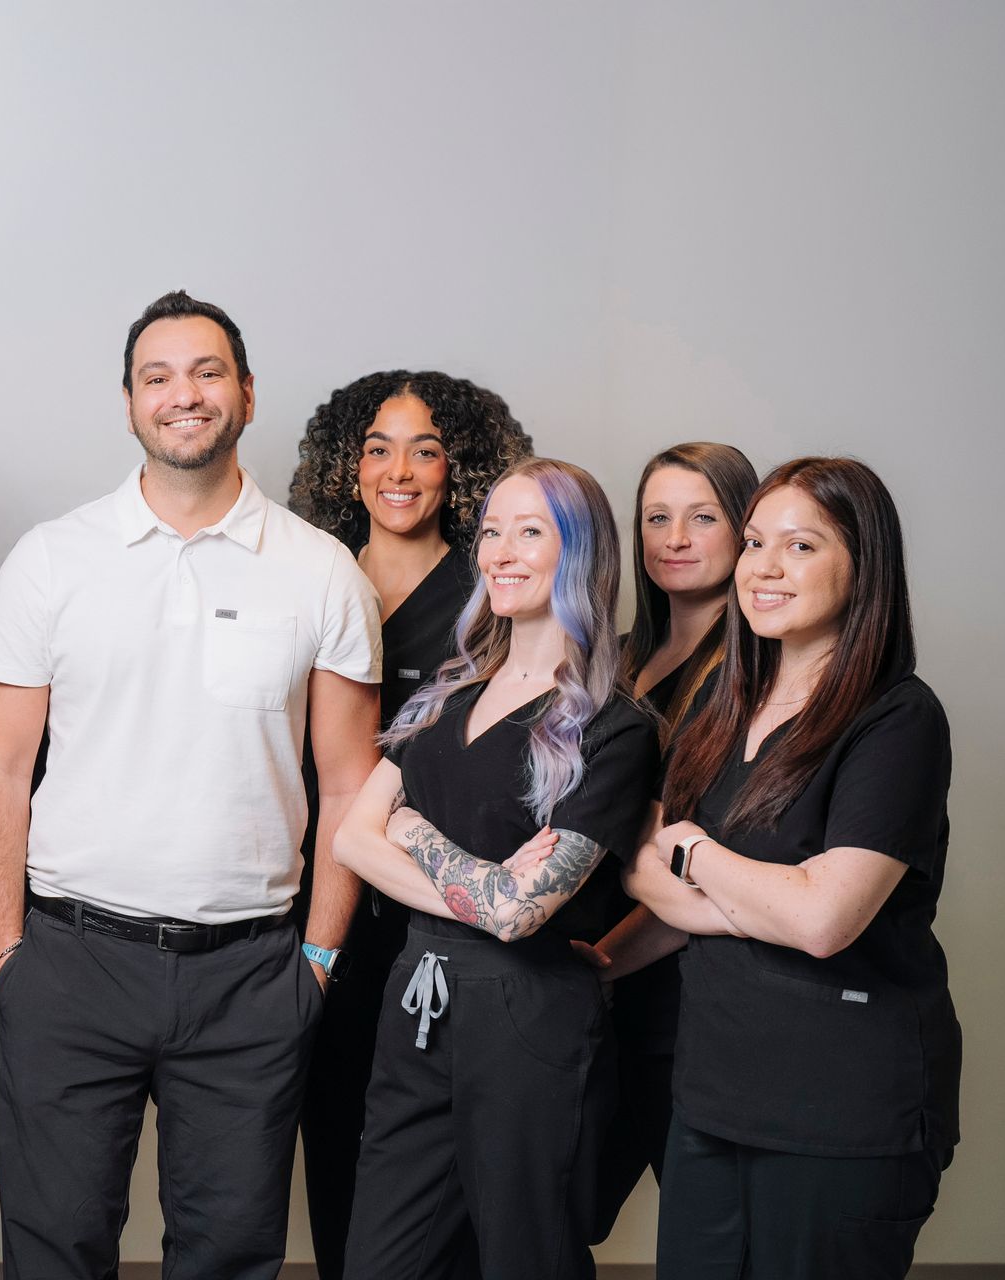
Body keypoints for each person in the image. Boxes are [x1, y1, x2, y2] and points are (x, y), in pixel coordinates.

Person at [0, 290, 383, 1279]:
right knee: (53, 1248)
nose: (183, 394)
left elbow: (349, 784)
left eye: (206, 372)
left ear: (245, 392)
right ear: (128, 403)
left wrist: (316, 962)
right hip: (70, 961)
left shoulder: (322, 572)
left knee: (231, 1253)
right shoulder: (52, 561)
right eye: (158, 376)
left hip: (249, 974)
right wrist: (8, 958)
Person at [625, 457, 960, 1279]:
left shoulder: (898, 719)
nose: (763, 568)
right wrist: (602, 963)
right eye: (754, 543)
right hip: (713, 1097)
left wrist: (696, 850)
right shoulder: (724, 704)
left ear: (863, 565)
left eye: (801, 546)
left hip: (843, 1112)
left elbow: (822, 921)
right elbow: (641, 867)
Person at [333, 458, 661, 1280]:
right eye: (489, 531)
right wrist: (479, 882)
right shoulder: (444, 696)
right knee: (382, 1260)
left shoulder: (614, 728)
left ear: (581, 553)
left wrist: (412, 831)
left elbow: (521, 916)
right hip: (416, 998)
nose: (499, 552)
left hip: (527, 1014)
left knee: (524, 1255)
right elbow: (350, 840)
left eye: (530, 532)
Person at [286, 369, 533, 1279]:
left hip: (446, 919)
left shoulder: (493, 597)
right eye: (378, 449)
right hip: (317, 914)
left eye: (425, 450)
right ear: (346, 468)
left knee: (448, 1176)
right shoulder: (307, 581)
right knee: (338, 1141)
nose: (399, 471)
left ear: (457, 470)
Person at [581, 442, 757, 1242]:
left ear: (746, 527)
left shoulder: (759, 678)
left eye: (702, 516)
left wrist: (604, 964)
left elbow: (706, 871)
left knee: (707, 1231)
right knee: (557, 1208)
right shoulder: (619, 660)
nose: (674, 537)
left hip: (682, 995)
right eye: (657, 517)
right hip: (596, 988)